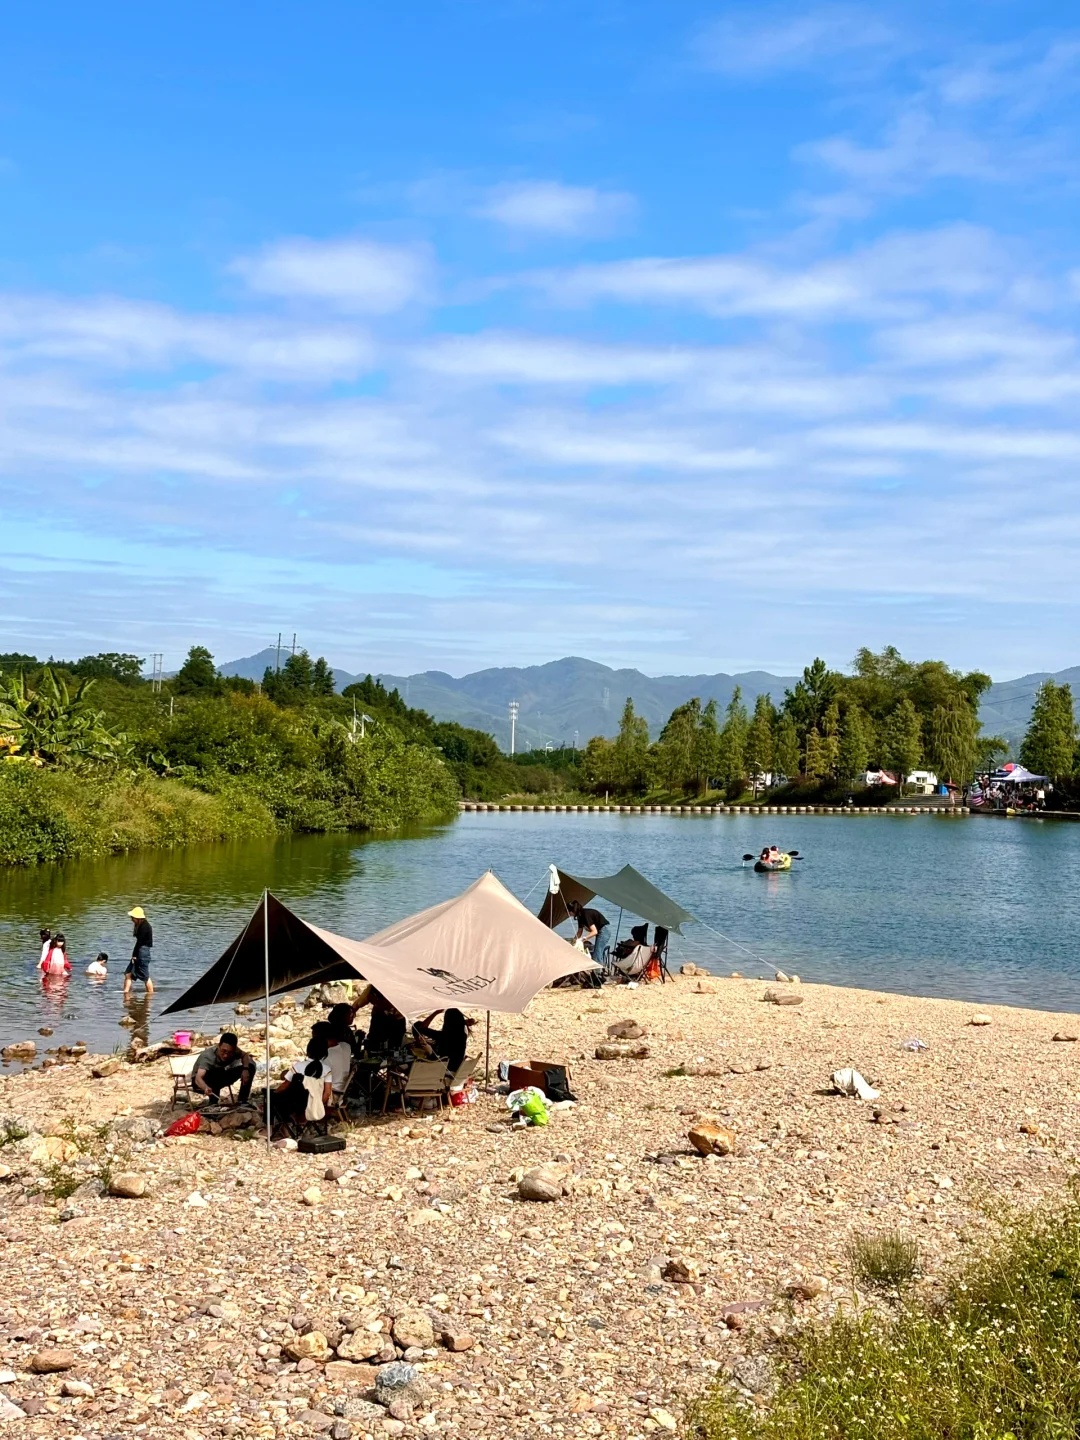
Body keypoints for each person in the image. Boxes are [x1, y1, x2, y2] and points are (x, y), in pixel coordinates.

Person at [270, 1038, 332, 1133]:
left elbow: (285, 1085)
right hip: (313, 1105)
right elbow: (327, 1093)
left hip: (295, 1105)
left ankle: (273, 1127)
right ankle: (291, 1123)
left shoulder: (298, 1066)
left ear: (308, 1051)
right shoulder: (327, 1070)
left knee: (271, 1097)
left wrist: (274, 1092)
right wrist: (318, 1104)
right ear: (325, 1054)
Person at [191, 1032, 256, 1104]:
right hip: (201, 1082)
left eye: (229, 1052)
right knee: (215, 1073)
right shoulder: (208, 1056)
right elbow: (198, 1078)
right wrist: (205, 1087)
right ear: (219, 1046)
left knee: (250, 1066)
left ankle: (242, 1100)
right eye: (223, 1051)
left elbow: (244, 1055)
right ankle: (213, 1104)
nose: (225, 1055)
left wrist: (245, 1069)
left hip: (220, 1075)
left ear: (234, 1049)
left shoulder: (235, 1050)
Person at [413, 1009, 474, 1073]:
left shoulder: (443, 1035)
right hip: (454, 1069)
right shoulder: (463, 1036)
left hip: (442, 1070)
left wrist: (435, 1013)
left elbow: (421, 1027)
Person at [311, 1019, 353, 1095]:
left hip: (331, 1093)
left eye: (314, 1038)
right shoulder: (346, 1046)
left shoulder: (325, 1056)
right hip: (342, 1090)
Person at [567, 899, 609, 966]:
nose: (569, 914)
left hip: (604, 931)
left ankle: (597, 973)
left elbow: (594, 931)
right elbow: (579, 932)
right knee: (597, 952)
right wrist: (573, 941)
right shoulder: (579, 917)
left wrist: (583, 939)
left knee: (596, 955)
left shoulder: (585, 914)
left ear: (572, 911)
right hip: (600, 931)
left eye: (569, 912)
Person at [124, 906, 154, 996]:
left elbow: (140, 943)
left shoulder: (145, 927)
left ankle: (151, 995)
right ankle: (125, 993)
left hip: (142, 952)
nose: (131, 919)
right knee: (128, 973)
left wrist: (134, 955)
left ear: (138, 918)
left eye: (133, 917)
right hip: (141, 951)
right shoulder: (141, 925)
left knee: (145, 977)